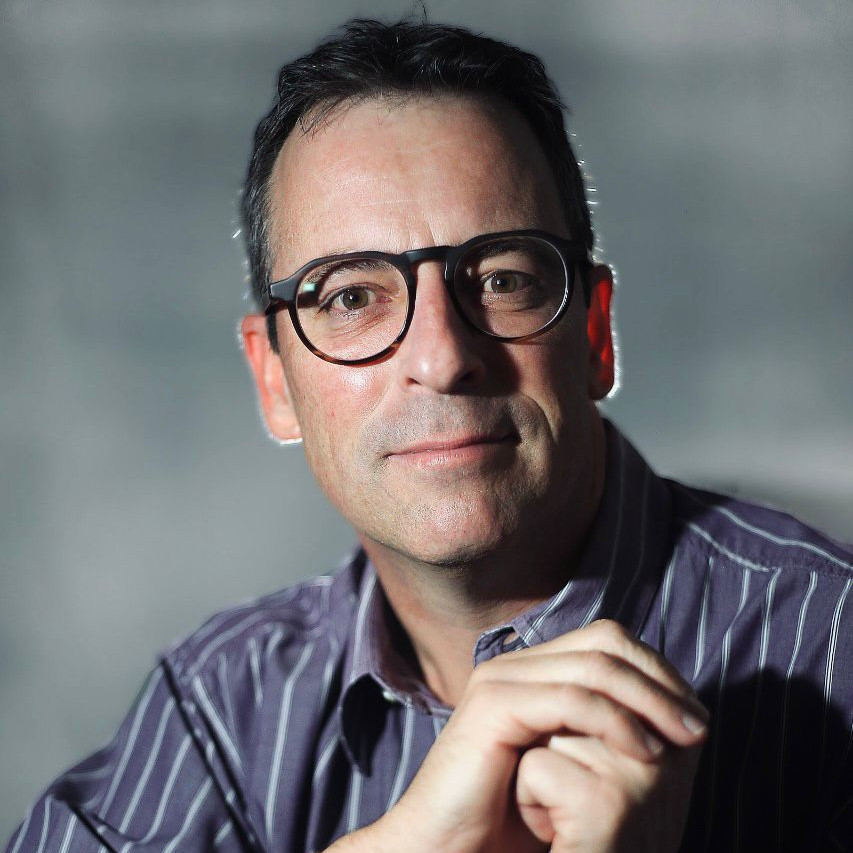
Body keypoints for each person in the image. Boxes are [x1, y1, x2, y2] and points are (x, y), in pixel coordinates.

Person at [5, 17, 851, 853]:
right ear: (276, 381)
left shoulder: (832, 642)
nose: (442, 358)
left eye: (502, 280)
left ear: (594, 334)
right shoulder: (222, 705)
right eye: (350, 296)